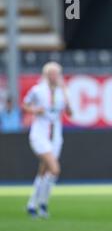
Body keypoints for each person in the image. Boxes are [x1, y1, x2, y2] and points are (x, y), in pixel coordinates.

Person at [22, 62, 72, 218]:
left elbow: (70, 113)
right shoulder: (38, 90)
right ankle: (41, 202)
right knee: (54, 169)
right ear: (46, 75)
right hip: (40, 135)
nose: (54, 77)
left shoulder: (62, 91)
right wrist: (35, 110)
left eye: (56, 74)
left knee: (43, 172)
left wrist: (65, 93)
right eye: (51, 74)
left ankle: (35, 204)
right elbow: (25, 105)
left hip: (56, 136)